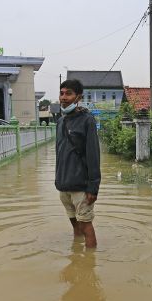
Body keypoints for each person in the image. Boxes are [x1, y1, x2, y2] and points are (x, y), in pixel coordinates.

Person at [55, 79, 101, 248]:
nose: (64, 97)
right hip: (64, 186)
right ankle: (77, 257)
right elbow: (59, 154)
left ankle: (88, 267)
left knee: (86, 225)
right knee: (75, 224)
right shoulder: (60, 122)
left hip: (81, 186)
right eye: (62, 93)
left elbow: (93, 155)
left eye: (69, 93)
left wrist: (93, 187)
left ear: (78, 97)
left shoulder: (87, 120)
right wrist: (58, 182)